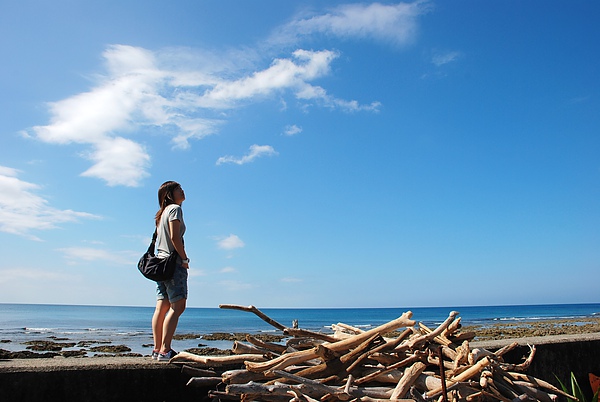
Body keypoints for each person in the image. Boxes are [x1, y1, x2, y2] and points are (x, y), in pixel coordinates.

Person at [151, 181, 190, 361]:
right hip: (173, 263)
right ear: (169, 194)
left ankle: (157, 349)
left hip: (161, 264)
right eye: (178, 189)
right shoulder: (175, 209)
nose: (182, 190)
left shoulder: (161, 214)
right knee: (178, 306)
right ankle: (165, 350)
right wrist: (184, 259)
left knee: (162, 307)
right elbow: (175, 237)